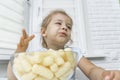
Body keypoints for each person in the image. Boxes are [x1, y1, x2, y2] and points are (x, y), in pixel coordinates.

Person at [7, 10, 120, 80]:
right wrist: (19, 51)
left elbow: (91, 70)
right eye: (58, 23)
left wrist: (104, 75)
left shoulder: (73, 53)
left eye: (69, 26)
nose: (64, 27)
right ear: (43, 32)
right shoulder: (36, 56)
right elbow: (13, 78)